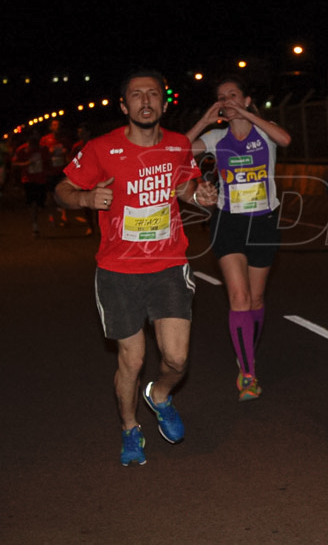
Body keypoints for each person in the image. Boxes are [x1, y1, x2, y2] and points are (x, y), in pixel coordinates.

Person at [55, 70, 217, 466]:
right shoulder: (100, 148)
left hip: (168, 264)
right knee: (131, 359)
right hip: (117, 270)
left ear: (164, 103)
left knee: (177, 360)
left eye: (153, 95)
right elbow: (61, 190)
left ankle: (159, 395)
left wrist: (203, 195)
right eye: (136, 95)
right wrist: (86, 198)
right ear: (124, 105)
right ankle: (130, 428)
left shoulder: (179, 145)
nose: (146, 101)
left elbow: (185, 188)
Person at [185, 75, 292, 401]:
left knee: (256, 300)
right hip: (227, 222)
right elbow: (177, 150)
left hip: (263, 223)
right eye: (221, 97)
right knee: (239, 298)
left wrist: (247, 115)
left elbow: (285, 139)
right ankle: (247, 373)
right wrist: (205, 118)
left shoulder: (264, 132)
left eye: (233, 95)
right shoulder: (217, 137)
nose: (226, 100)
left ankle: (246, 351)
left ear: (245, 100)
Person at [11, 129, 52, 236]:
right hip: (28, 180)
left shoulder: (43, 149)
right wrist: (26, 164)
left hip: (41, 179)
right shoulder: (22, 150)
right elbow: (14, 164)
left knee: (41, 203)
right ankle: (35, 226)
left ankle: (43, 214)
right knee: (32, 203)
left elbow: (49, 162)